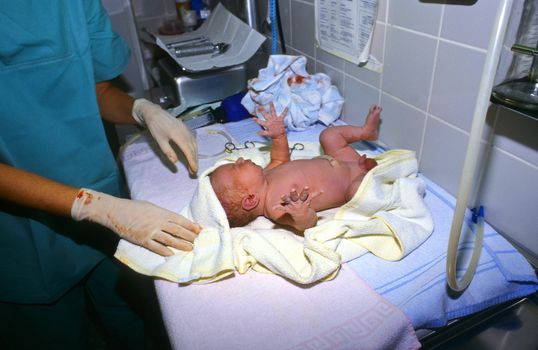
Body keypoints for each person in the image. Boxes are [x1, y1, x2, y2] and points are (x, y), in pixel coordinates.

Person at [0, 1, 201, 349]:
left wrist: (141, 110)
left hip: (99, 199)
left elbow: (97, 91)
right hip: (19, 234)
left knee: (134, 324)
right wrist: (94, 207)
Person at [210, 102, 381, 232]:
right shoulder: (277, 208)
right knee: (357, 195)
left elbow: (279, 157)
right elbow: (307, 224)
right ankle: (371, 177)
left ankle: (366, 132)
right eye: (236, 167)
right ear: (250, 199)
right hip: (350, 183)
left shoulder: (267, 173)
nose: (239, 159)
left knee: (329, 136)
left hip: (341, 157)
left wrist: (278, 136)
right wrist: (300, 214)